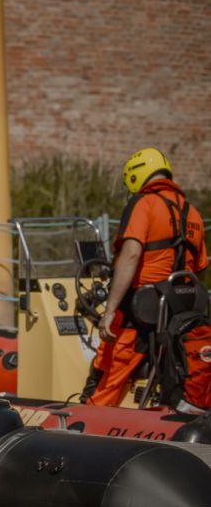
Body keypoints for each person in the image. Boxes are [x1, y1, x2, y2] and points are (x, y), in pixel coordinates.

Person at [81, 147, 207, 406]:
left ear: (135, 177)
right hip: (179, 315)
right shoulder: (192, 212)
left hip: (140, 312)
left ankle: (86, 420)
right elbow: (200, 268)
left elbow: (130, 254)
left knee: (108, 373)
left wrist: (110, 310)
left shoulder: (143, 204)